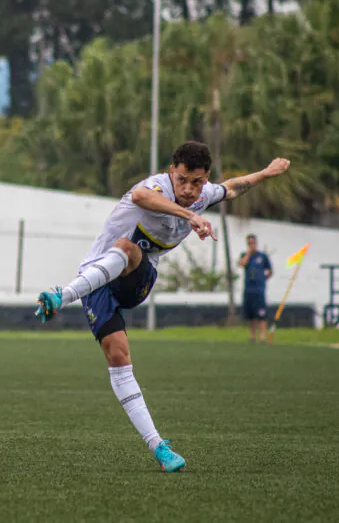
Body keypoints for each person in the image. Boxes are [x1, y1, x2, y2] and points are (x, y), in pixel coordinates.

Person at [34, 141, 290, 473]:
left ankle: (61, 297)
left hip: (136, 279)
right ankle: (160, 448)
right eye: (182, 179)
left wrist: (267, 173)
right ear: (172, 172)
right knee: (118, 357)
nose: (188, 188)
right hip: (95, 280)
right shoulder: (155, 187)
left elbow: (232, 188)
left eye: (196, 182)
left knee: (127, 247)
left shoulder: (203, 193)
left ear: (204, 177)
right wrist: (190, 215)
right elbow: (141, 198)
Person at [238, 234, 273, 343]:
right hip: (249, 289)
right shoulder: (245, 255)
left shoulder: (262, 256)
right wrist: (249, 253)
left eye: (253, 243)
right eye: (249, 243)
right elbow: (242, 264)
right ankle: (252, 337)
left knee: (261, 314)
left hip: (259, 290)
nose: (252, 245)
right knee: (251, 315)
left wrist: (264, 278)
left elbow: (270, 270)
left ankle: (262, 337)